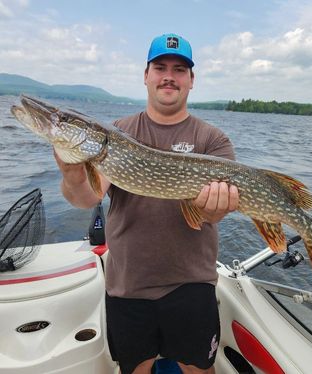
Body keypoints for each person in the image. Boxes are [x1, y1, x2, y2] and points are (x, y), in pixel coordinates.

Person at [55, 33, 239, 374]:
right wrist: (72, 175)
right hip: (128, 282)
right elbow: (85, 198)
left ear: (191, 80)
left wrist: (216, 207)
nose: (169, 75)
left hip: (191, 282)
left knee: (198, 368)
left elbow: (215, 212)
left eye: (179, 69)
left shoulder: (212, 139)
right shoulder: (116, 133)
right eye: (160, 67)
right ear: (146, 75)